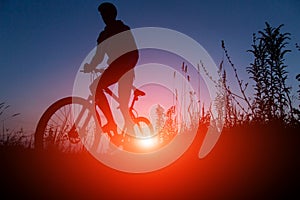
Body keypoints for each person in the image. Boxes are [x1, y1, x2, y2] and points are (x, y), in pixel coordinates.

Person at [83, 2, 139, 139]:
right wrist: (91, 65)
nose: (104, 16)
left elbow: (134, 52)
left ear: (113, 14)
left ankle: (129, 136)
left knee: (120, 104)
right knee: (97, 89)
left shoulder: (123, 28)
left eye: (106, 13)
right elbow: (99, 56)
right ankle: (112, 124)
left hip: (124, 67)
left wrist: (127, 67)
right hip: (117, 67)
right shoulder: (103, 35)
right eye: (102, 14)